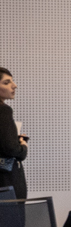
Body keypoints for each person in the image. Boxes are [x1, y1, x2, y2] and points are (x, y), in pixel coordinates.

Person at [0, 68, 24, 200]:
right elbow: (10, 148)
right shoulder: (3, 110)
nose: (14, 85)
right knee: (12, 219)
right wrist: (23, 147)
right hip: (5, 181)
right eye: (6, 82)